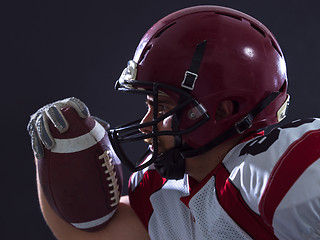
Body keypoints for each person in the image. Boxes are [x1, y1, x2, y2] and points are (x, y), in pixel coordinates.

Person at [27, 5, 320, 240]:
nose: (145, 125)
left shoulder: (281, 173)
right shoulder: (161, 189)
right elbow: (89, 233)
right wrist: (50, 152)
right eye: (148, 105)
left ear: (222, 110)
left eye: (161, 107)